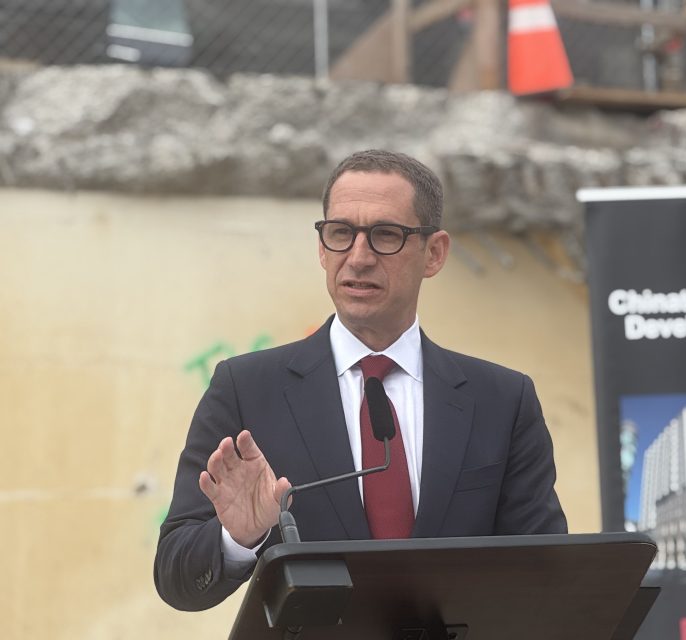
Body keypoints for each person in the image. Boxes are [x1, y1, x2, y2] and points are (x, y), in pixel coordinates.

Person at [154, 149, 568, 611]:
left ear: (434, 253)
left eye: (385, 235)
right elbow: (176, 576)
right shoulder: (247, 388)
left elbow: (545, 572)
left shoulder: (503, 400)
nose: (359, 257)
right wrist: (237, 535)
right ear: (321, 247)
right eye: (341, 233)